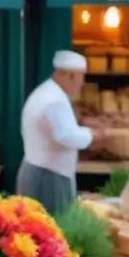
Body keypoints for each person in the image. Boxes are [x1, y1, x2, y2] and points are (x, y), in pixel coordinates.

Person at [17, 50, 112, 215]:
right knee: (52, 229)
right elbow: (66, 135)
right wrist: (94, 134)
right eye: (81, 77)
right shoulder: (54, 100)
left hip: (41, 171)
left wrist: (83, 124)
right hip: (48, 178)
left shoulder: (48, 92)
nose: (82, 83)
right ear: (69, 75)